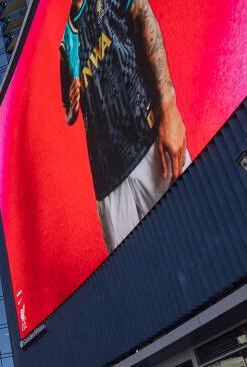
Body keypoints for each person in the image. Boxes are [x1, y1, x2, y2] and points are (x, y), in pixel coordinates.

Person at [60, 0, 189, 251]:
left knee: (195, 236)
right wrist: (72, 107)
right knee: (136, 272)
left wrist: (169, 108)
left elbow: (143, 16)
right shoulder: (66, 41)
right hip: (108, 184)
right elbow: (69, 111)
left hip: (149, 145)